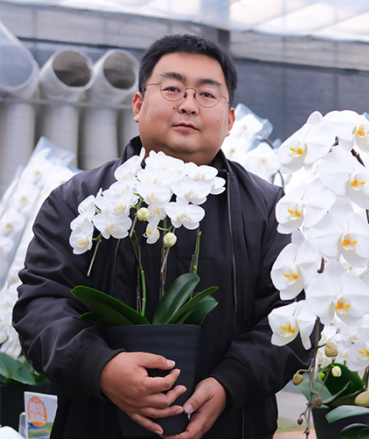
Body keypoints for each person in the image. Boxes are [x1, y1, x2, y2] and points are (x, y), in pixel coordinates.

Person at [13, 34, 312, 439]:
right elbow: (40, 304)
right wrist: (101, 367)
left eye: (207, 94)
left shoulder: (271, 211)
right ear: (138, 105)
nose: (188, 104)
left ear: (229, 121)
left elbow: (295, 315)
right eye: (172, 89)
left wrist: (231, 382)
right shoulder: (79, 200)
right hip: (98, 424)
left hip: (230, 426)